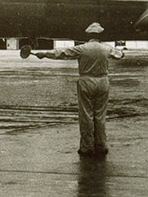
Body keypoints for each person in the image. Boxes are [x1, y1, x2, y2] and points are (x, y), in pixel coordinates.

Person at [35, 22, 124, 157]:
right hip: (103, 80)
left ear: (88, 34)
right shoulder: (107, 48)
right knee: (100, 115)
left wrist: (44, 53)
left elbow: (61, 53)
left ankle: (87, 147)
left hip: (86, 81)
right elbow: (120, 55)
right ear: (101, 34)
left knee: (86, 115)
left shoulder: (82, 48)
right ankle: (101, 145)